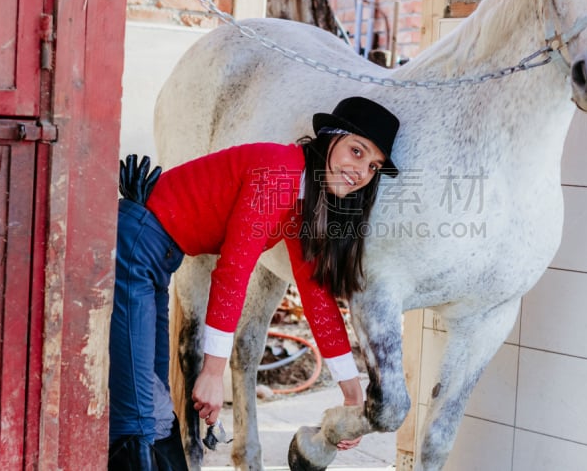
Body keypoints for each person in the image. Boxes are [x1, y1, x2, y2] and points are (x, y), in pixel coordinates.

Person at [108, 97, 401, 470]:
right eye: (356, 152)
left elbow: (315, 296)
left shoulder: (301, 202)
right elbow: (234, 270)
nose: (361, 171)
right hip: (137, 250)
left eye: (373, 166)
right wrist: (213, 372)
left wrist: (352, 393)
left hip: (154, 259)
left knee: (157, 411)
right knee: (135, 415)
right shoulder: (280, 172)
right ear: (329, 140)